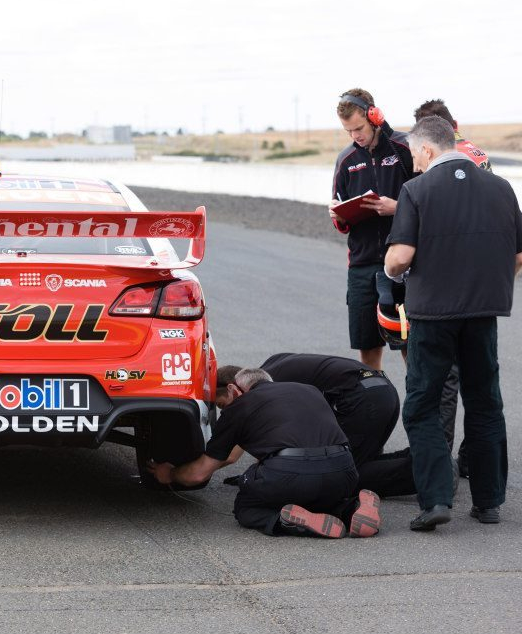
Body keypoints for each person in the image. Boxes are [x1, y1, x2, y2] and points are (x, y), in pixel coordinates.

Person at [384, 116, 522, 530]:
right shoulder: (500, 187)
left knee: (423, 404)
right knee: (485, 402)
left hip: (432, 315)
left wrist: (391, 275)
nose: (413, 162)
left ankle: (436, 500)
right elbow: (517, 255)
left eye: (413, 154)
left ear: (427, 149)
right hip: (483, 313)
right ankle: (489, 502)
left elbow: (400, 257)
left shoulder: (417, 190)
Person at [148, 368, 381, 539]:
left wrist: (170, 474)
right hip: (344, 471)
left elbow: (199, 474)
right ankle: (351, 509)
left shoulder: (239, 406)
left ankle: (285, 521)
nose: (223, 409)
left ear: (233, 390)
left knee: (246, 506)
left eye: (221, 405)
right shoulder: (309, 390)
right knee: (318, 490)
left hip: (290, 473)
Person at [412, 99, 493, 477]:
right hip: (483, 284)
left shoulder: (444, 163)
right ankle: (476, 461)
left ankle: (440, 458)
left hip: (445, 286)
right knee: (481, 387)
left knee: (444, 380)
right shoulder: (480, 155)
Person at [218, 355, 418, 498]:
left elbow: (231, 453)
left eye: (222, 406)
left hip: (363, 400)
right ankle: (427, 461)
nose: (225, 413)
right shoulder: (272, 367)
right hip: (380, 389)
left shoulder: (267, 389)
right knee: (356, 462)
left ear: (233, 389)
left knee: (337, 474)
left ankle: (423, 471)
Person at [329, 88, 415, 370]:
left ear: (374, 116)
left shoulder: (405, 148)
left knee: (408, 344)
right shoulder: (345, 160)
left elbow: (428, 202)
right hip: (362, 266)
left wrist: (397, 208)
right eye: (349, 131)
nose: (355, 136)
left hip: (403, 262)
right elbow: (339, 215)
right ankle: (374, 407)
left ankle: (418, 410)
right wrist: (339, 216)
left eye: (359, 128)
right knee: (368, 351)